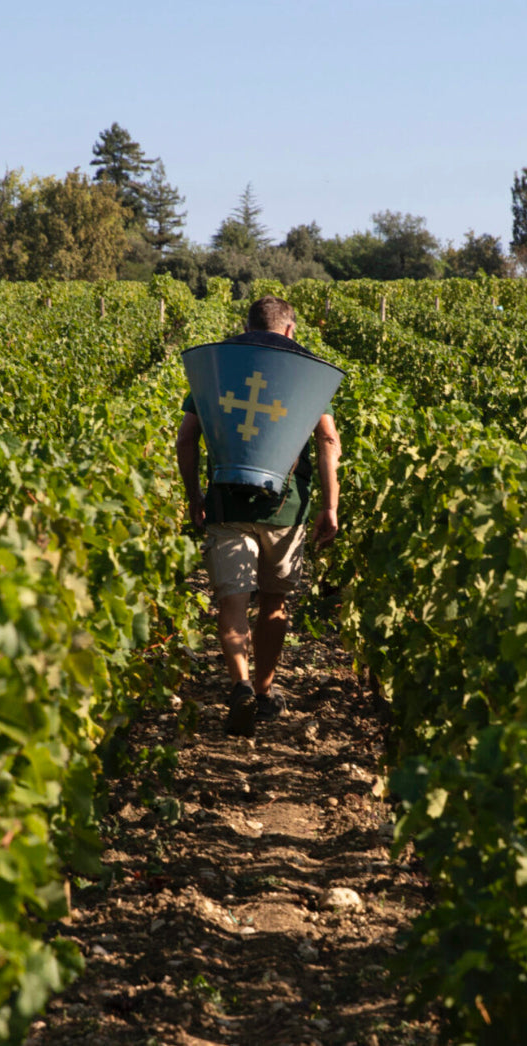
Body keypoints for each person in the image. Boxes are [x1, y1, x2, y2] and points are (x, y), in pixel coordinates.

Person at [176, 295, 341, 736]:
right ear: (290, 330)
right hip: (285, 509)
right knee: (274, 601)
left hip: (226, 501)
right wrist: (329, 505)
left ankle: (241, 686)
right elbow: (327, 439)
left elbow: (187, 438)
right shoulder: (305, 369)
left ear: (246, 326)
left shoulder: (221, 365)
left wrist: (194, 495)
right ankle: (265, 694)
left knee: (233, 598)